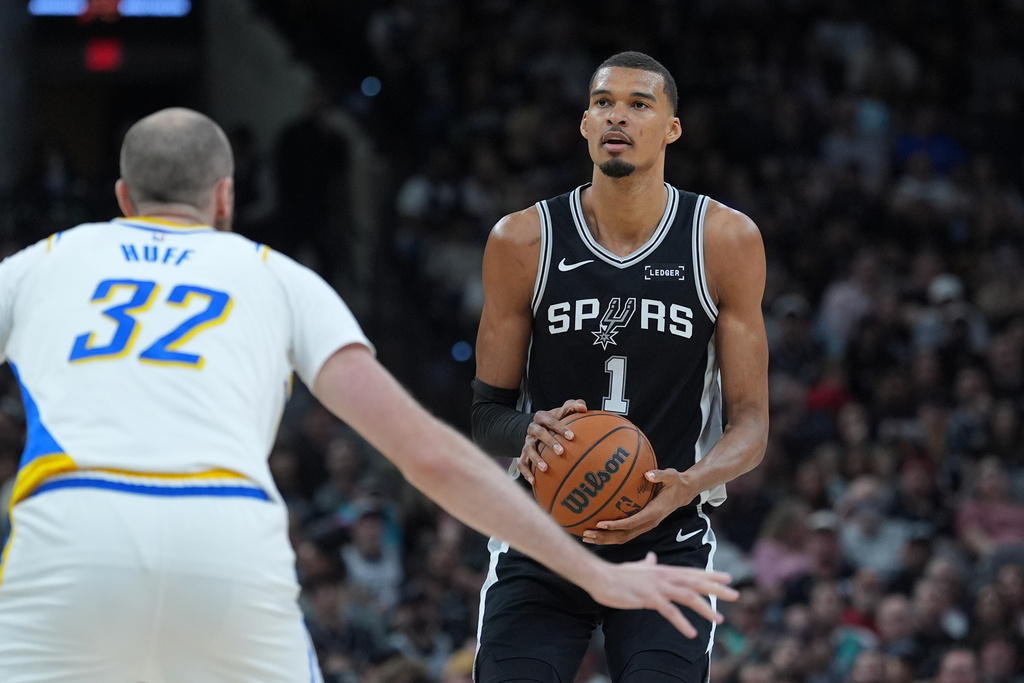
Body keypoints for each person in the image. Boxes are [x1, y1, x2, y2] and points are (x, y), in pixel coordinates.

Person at [0, 107, 739, 683]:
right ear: (225, 197)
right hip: (222, 530)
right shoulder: (276, 275)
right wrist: (596, 573)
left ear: (123, 197)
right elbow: (428, 454)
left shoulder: (40, 264)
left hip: (69, 525)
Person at [471, 52, 769, 682]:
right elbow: (485, 414)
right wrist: (527, 431)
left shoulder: (724, 240)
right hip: (543, 533)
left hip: (665, 537)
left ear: (672, 129)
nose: (619, 116)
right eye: (605, 102)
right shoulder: (522, 241)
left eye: (640, 104)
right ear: (584, 123)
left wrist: (689, 483)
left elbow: (751, 427)